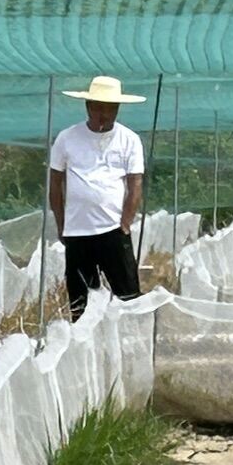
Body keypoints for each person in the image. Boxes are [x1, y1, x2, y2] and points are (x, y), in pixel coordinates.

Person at [45, 78, 149, 315]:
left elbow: (135, 183)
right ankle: (85, 345)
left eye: (110, 108)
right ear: (88, 106)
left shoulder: (129, 140)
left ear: (118, 109)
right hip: (78, 232)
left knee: (129, 296)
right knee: (81, 302)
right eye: (99, 107)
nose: (104, 114)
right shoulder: (67, 138)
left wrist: (125, 223)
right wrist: (62, 224)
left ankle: (131, 342)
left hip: (112, 230)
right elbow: (55, 183)